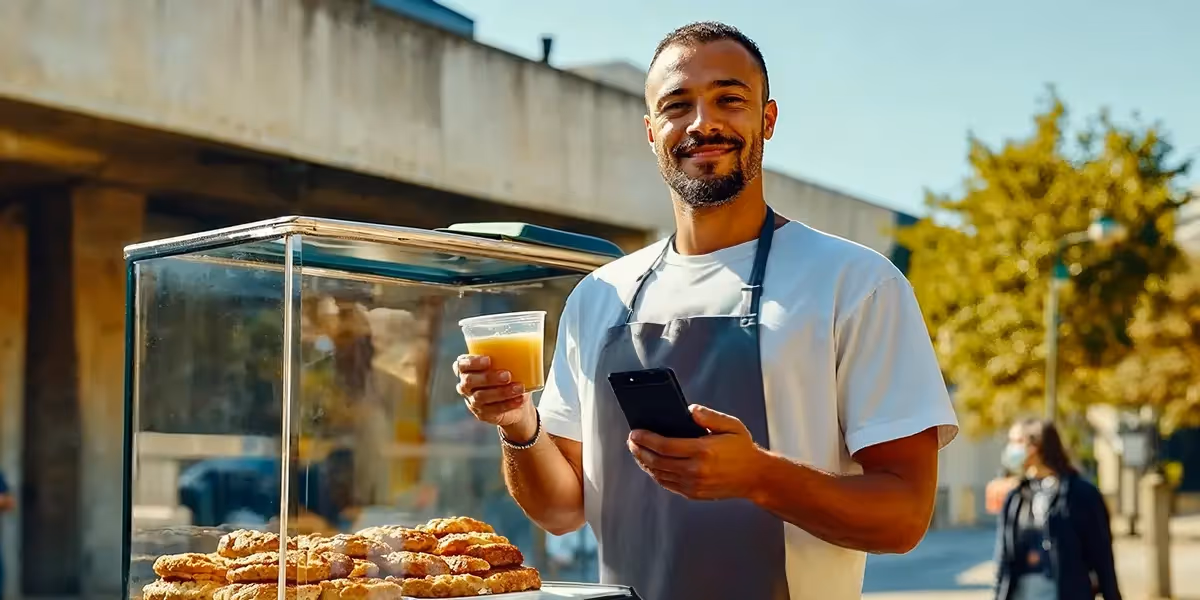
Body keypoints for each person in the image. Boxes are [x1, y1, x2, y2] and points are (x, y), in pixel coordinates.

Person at [454, 20, 959, 600]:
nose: (703, 123)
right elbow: (563, 509)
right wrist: (518, 424)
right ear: (651, 131)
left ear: (767, 120)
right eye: (677, 105)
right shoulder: (599, 296)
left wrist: (757, 475)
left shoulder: (856, 283)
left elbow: (904, 517)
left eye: (729, 100)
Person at [993, 418, 1121, 600]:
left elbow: (1102, 559)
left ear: (1035, 446)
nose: (1011, 449)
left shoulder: (1081, 495)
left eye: (1017, 442)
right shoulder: (1016, 498)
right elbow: (1003, 560)